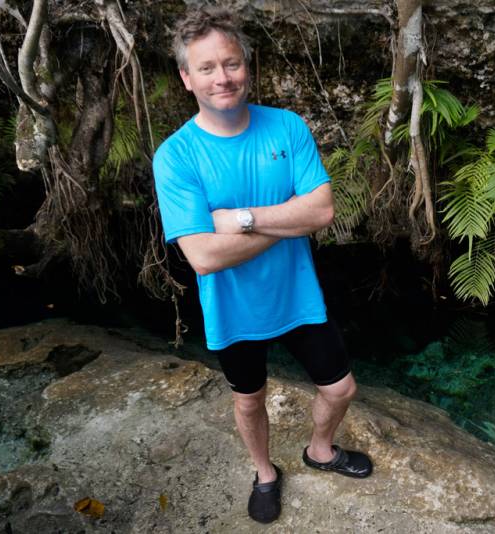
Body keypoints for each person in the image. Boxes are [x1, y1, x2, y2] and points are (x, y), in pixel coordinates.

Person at [152, 6, 372, 524]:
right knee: (250, 401)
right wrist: (288, 223)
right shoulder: (176, 156)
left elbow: (322, 211)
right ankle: (265, 473)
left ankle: (320, 450)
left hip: (297, 294)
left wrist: (240, 219)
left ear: (247, 66)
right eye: (206, 68)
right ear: (187, 78)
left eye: (230, 64)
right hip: (232, 306)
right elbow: (203, 256)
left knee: (341, 388)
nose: (221, 77)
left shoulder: (287, 127)